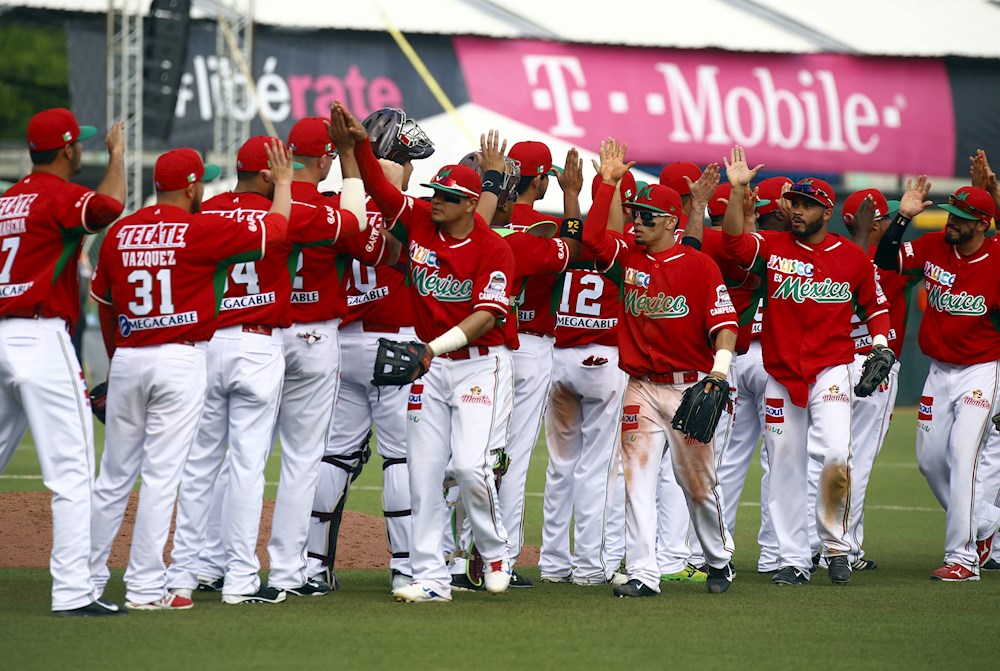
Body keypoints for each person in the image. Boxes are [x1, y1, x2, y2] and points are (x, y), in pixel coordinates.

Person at [88, 144, 291, 610]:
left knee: (114, 477)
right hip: (179, 358)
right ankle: (143, 588)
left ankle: (87, 583)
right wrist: (281, 184)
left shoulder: (120, 233)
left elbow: (104, 303)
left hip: (130, 357)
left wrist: (117, 361)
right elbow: (276, 231)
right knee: (162, 478)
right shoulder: (198, 229)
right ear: (194, 185)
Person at [166, 134, 364, 605]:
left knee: (205, 465)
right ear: (271, 171)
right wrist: (352, 163)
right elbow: (354, 225)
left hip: (210, 340)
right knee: (290, 460)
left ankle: (190, 571)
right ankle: (278, 573)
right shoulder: (290, 209)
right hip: (272, 340)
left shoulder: (207, 211)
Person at [343, 102, 516, 603]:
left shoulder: (492, 248)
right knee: (422, 475)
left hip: (481, 366)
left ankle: (495, 550)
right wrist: (356, 144)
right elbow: (379, 187)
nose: (435, 200)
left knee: (470, 467)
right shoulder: (419, 221)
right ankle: (431, 578)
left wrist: (430, 348)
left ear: (469, 204)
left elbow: (486, 316)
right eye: (434, 192)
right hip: (431, 366)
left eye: (447, 196)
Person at [722, 145, 892, 586]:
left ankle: (836, 548)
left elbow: (875, 306)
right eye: (793, 203)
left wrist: (878, 344)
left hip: (831, 370)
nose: (796, 210)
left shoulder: (851, 257)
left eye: (807, 205)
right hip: (781, 373)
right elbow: (735, 243)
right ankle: (793, 560)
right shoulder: (774, 246)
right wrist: (740, 192)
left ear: (826, 211)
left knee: (836, 453)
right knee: (784, 463)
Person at [583, 140, 737, 597]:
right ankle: (644, 574)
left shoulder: (701, 266)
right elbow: (593, 239)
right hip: (641, 387)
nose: (637, 222)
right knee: (637, 480)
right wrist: (606, 185)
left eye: (646, 216)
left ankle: (718, 559)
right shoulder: (628, 259)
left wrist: (719, 373)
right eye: (633, 214)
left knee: (698, 487)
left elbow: (725, 326)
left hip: (691, 386)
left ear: (672, 221)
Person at [0, 108, 126, 616]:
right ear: (69, 149)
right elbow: (108, 206)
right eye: (81, 146)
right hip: (39, 334)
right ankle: (74, 592)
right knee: (73, 472)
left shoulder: (7, 199)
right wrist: (117, 156)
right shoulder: (58, 195)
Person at [304, 108, 429, 592]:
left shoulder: (335, 206)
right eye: (409, 159)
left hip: (340, 343)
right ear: (394, 160)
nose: (414, 169)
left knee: (334, 457)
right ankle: (405, 569)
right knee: (400, 459)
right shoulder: (409, 213)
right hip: (396, 342)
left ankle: (314, 569)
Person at [874, 180, 1000, 581]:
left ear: (983, 225)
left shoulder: (996, 258)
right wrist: (902, 218)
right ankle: (985, 523)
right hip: (939, 371)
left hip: (983, 369)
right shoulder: (932, 246)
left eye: (963, 219)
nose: (952, 222)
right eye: (951, 214)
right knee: (930, 462)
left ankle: (962, 558)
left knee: (964, 456)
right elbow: (884, 259)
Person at [805, 188, 915, 572]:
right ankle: (842, 548)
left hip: (851, 364)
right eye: (882, 218)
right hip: (861, 363)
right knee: (854, 461)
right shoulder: (877, 261)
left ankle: (825, 546)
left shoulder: (836, 254)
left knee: (830, 457)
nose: (885, 224)